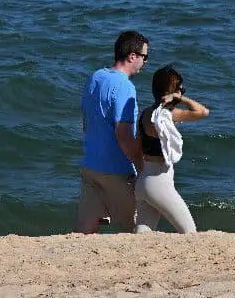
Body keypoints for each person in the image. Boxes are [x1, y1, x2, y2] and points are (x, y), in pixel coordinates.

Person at [74, 30, 149, 234]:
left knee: (85, 230)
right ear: (132, 56)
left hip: (90, 165)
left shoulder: (96, 77)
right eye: (144, 56)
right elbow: (123, 135)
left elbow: (86, 119)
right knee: (137, 225)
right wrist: (141, 167)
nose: (145, 62)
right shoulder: (125, 86)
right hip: (116, 170)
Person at [135, 65, 210, 234]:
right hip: (160, 183)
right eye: (180, 89)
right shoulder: (168, 115)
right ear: (173, 91)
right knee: (190, 232)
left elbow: (137, 145)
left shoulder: (144, 114)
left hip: (143, 181)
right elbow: (203, 112)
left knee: (142, 237)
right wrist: (180, 98)